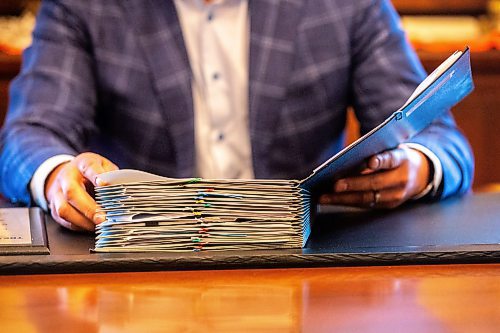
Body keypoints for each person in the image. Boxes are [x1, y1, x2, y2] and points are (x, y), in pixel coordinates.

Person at [0, 0, 473, 232]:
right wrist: (56, 175)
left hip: (309, 269)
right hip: (138, 263)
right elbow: (30, 133)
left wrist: (417, 167)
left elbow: (442, 142)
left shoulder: (348, 6)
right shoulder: (82, 7)